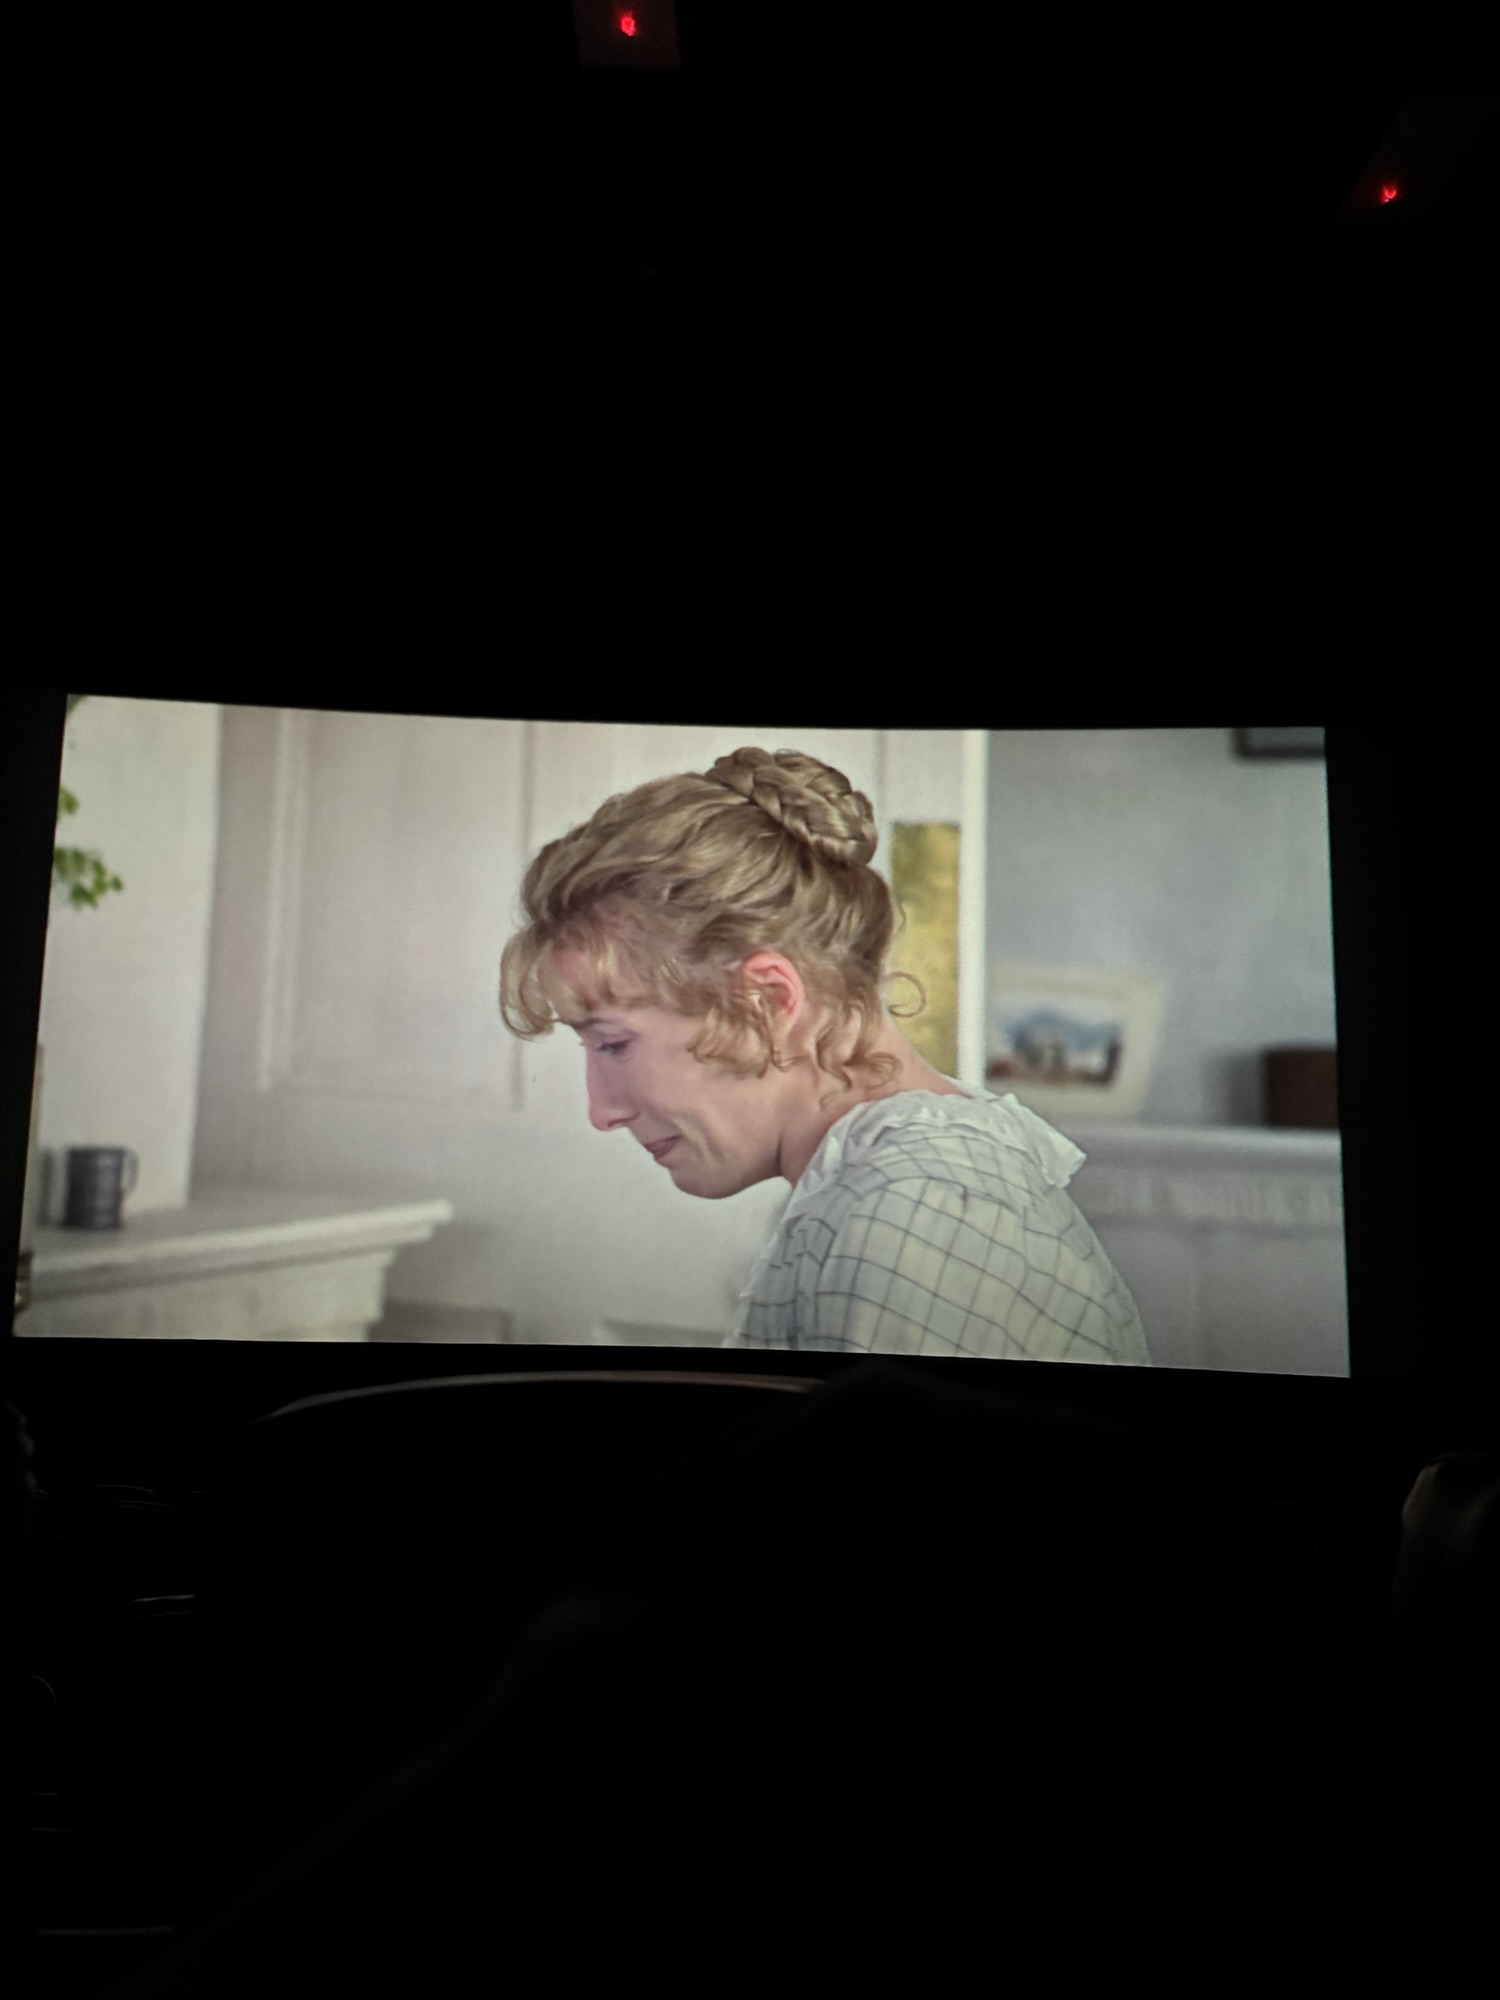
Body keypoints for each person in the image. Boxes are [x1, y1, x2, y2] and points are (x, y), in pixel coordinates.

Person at [499, 745, 1151, 1363]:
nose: (602, 1111)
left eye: (614, 1043)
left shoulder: (916, 1212)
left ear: (767, 1002)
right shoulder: (881, 1187)